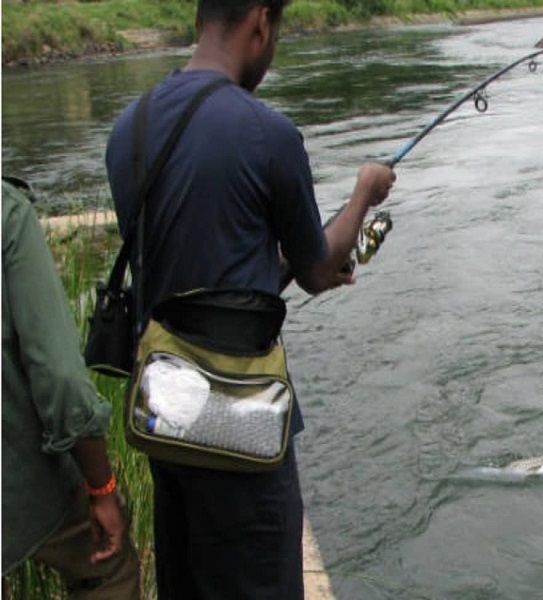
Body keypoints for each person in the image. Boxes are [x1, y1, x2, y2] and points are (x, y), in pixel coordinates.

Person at [104, 0, 396, 598]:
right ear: (260, 22)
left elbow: (196, 277)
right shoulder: (268, 134)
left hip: (165, 418)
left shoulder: (126, 131)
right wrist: (365, 193)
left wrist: (271, 266)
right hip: (239, 430)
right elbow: (318, 270)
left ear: (198, 21)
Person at [1, 177, 141, 598]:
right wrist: (102, 487)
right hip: (18, 488)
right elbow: (61, 376)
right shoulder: (7, 214)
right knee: (108, 562)